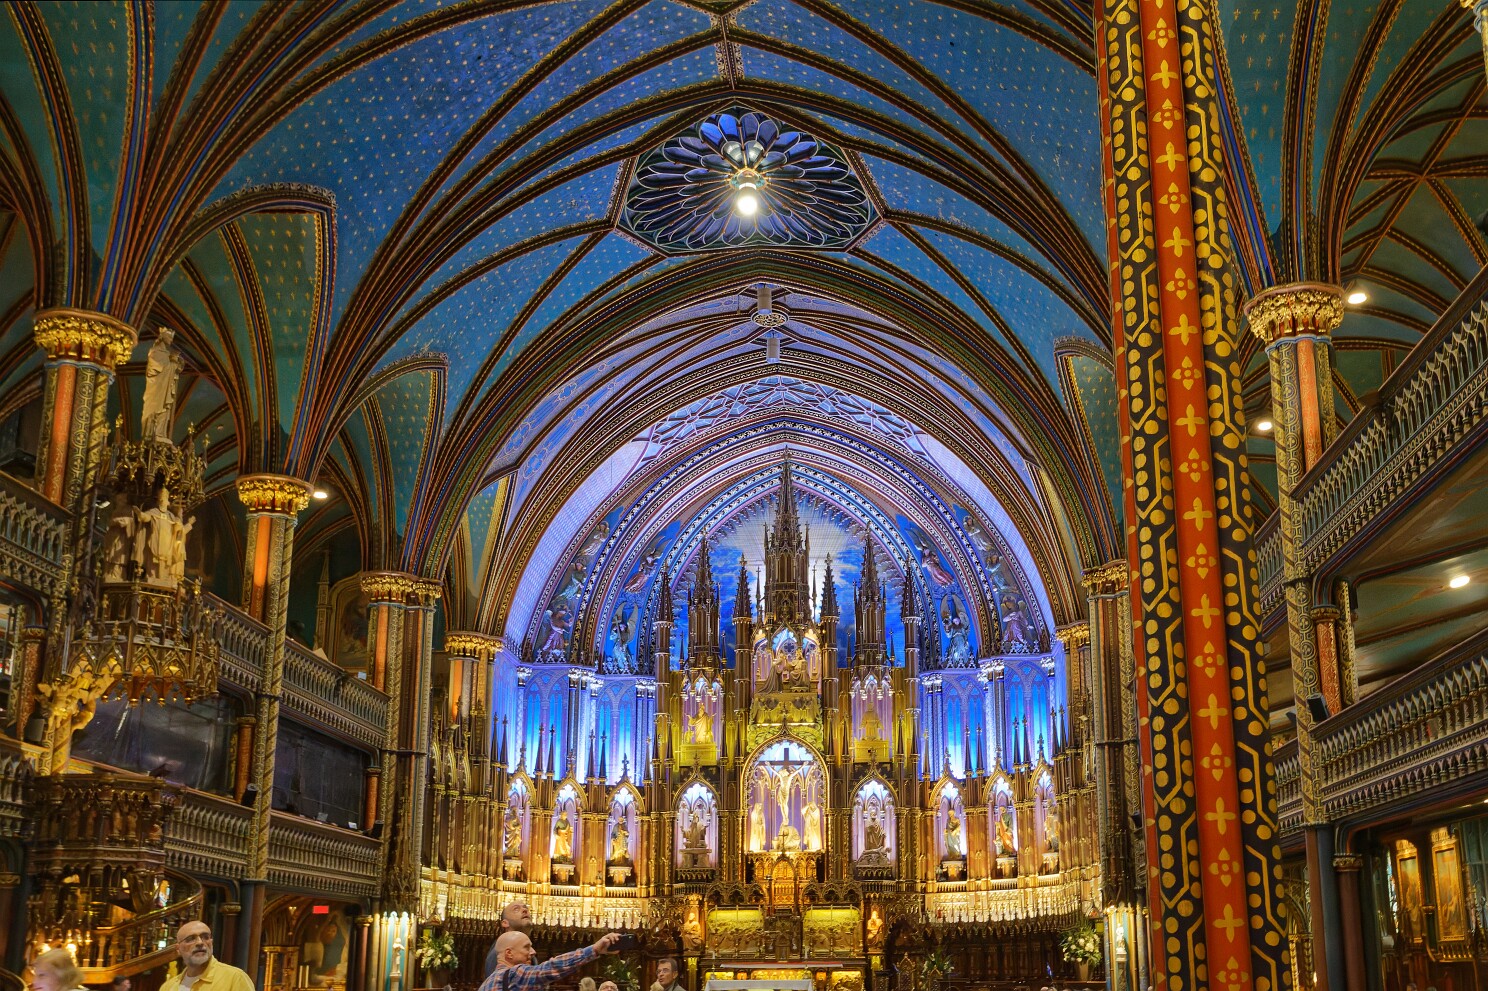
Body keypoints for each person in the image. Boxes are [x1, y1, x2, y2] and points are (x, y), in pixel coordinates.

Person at [477, 930, 620, 991]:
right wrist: (594, 949)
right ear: (509, 953)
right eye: (527, 947)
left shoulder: (487, 983)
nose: (533, 952)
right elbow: (549, 968)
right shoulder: (515, 974)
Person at [160, 921, 255, 991]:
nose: (200, 942)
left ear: (211, 943)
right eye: (191, 939)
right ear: (178, 949)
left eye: (205, 937)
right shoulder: (168, 987)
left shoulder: (235, 978)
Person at [482, 901, 532, 978]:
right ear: (505, 923)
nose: (525, 910)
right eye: (516, 909)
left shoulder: (527, 949)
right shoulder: (500, 950)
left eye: (526, 908)